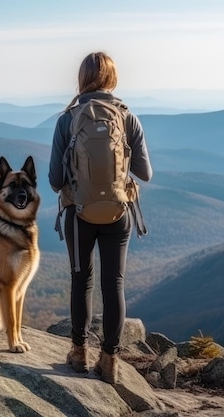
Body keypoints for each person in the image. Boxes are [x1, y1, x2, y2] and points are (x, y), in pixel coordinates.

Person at [48, 51, 153, 384]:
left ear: (82, 79)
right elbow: (146, 174)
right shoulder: (127, 118)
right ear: (113, 79)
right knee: (114, 284)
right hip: (119, 213)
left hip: (79, 215)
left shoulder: (67, 119)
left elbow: (53, 180)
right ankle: (110, 361)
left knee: (82, 281)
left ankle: (78, 354)